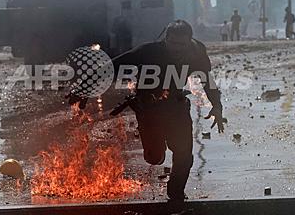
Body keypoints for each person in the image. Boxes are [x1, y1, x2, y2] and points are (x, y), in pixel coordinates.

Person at [68, 20, 224, 203]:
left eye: (181, 45)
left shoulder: (196, 53)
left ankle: (176, 195)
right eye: (173, 44)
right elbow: (112, 67)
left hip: (176, 107)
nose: (177, 49)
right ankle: (157, 153)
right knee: (154, 157)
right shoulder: (148, 51)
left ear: (189, 41)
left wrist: (217, 106)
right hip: (149, 109)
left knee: (184, 155)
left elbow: (208, 82)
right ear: (166, 40)